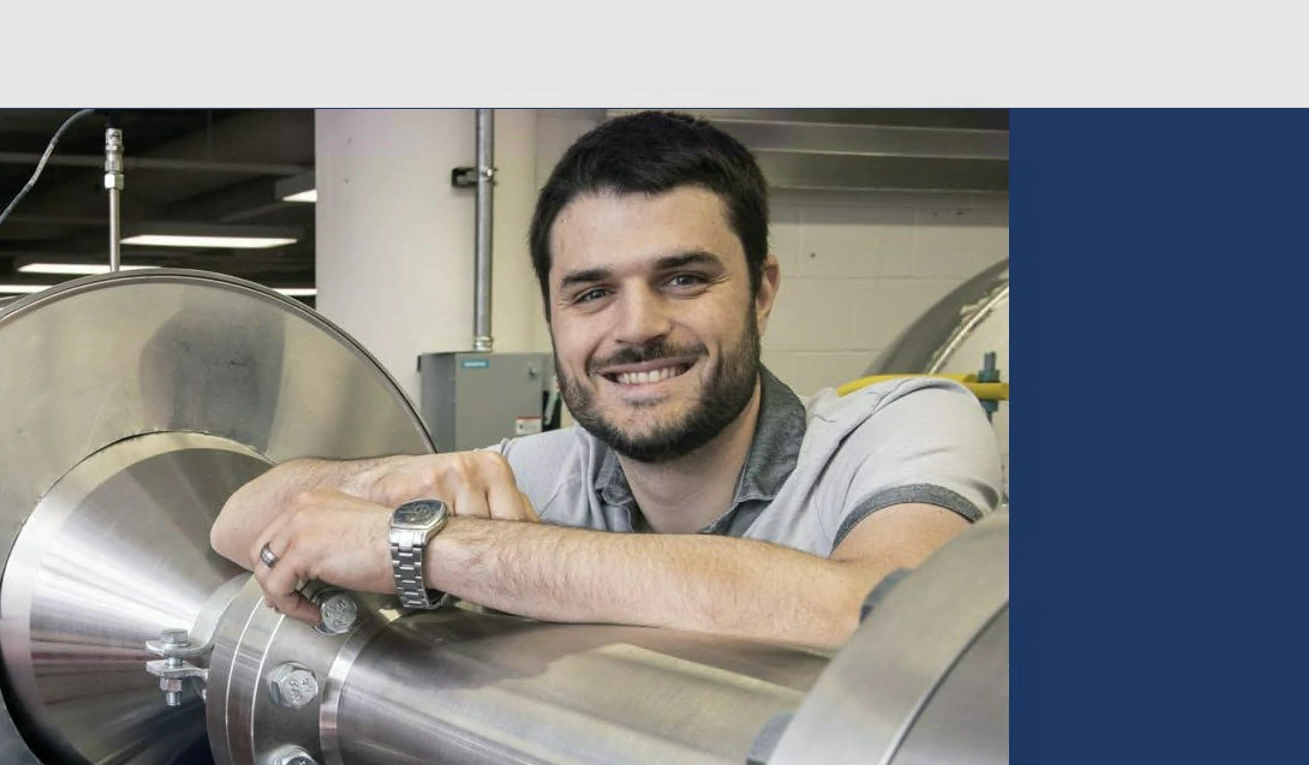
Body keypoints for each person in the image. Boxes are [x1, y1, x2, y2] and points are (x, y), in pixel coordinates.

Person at [210, 111, 1001, 649]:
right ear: (553, 317)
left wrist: (437, 549)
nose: (635, 327)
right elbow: (240, 524)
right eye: (591, 293)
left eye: (684, 278)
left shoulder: (902, 427)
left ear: (762, 290)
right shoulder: (543, 477)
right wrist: (396, 480)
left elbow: (876, 614)